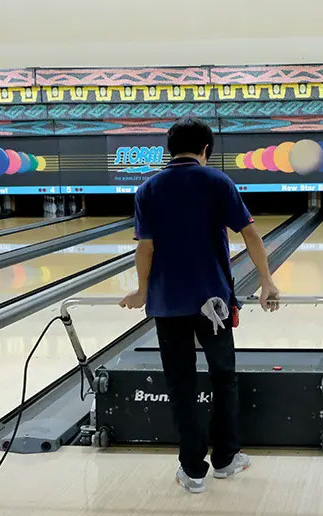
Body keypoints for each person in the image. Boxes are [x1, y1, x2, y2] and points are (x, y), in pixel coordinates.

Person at [119, 117, 280, 494]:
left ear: (168, 150)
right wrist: (266, 279)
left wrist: (142, 290)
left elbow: (145, 247)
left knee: (181, 386)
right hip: (214, 305)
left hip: (167, 304)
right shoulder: (218, 181)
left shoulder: (148, 189)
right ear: (206, 149)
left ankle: (192, 471)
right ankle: (225, 459)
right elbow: (251, 233)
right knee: (224, 378)